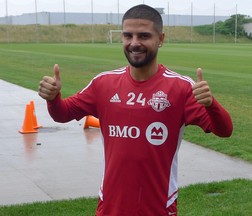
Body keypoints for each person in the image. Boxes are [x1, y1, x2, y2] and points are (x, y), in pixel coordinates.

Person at [38, 4, 233, 216]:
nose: (134, 43)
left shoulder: (180, 88)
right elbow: (63, 114)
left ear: (161, 39)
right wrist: (53, 99)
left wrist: (211, 104)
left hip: (158, 207)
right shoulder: (103, 83)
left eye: (144, 36)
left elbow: (224, 130)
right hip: (111, 206)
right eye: (127, 36)